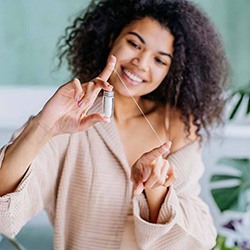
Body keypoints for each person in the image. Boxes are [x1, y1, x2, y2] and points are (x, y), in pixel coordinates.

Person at [0, 0, 229, 249]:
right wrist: (43, 127)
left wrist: (156, 192)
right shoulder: (69, 119)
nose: (141, 63)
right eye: (133, 44)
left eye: (160, 61)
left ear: (171, 72)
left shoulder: (177, 127)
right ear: (111, 38)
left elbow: (200, 241)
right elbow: (5, 216)